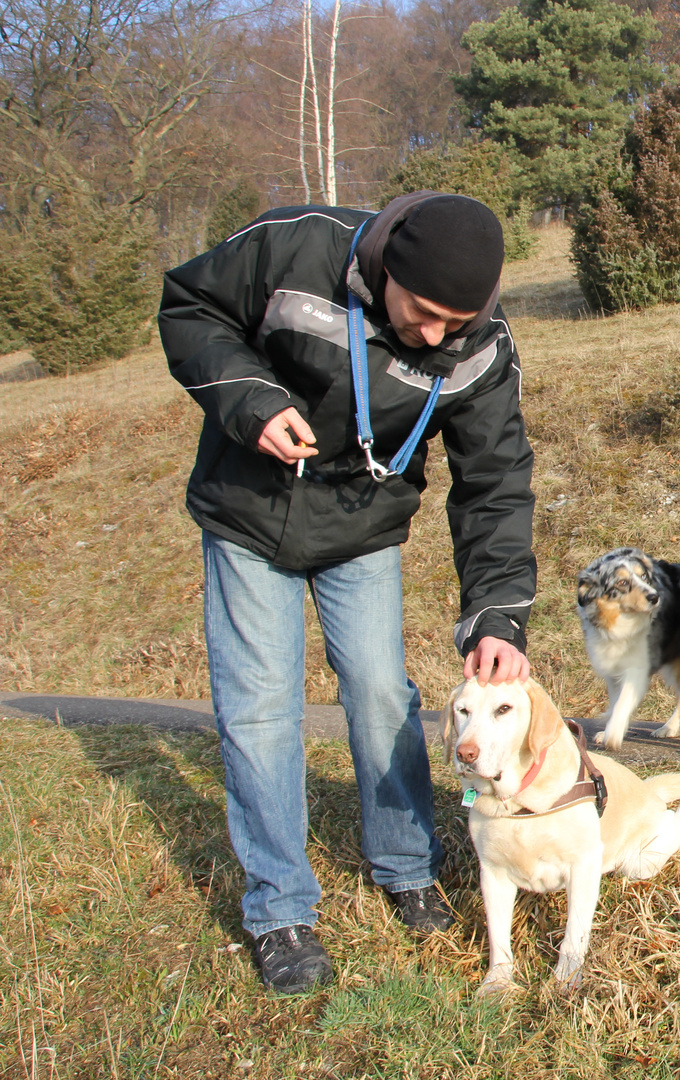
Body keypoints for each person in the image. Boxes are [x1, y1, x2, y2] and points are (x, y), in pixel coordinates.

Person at [159, 192, 537, 994]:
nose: (434, 335)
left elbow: (495, 483)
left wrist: (498, 612)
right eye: (422, 311)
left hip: (362, 522)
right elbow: (191, 307)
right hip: (249, 512)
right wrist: (250, 401)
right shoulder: (296, 250)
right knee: (260, 708)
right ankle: (280, 909)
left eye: (456, 321)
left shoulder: (481, 346)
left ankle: (405, 866)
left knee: (377, 695)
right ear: (386, 267)